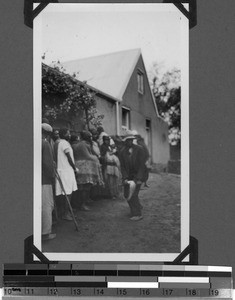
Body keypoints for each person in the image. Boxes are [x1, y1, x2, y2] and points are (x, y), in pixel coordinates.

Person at [72, 130, 103, 211]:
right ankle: (82, 204)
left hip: (80, 167)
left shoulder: (80, 144)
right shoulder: (83, 144)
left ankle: (80, 204)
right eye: (89, 137)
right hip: (84, 168)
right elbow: (87, 156)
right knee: (84, 187)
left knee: (82, 187)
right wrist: (96, 158)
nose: (91, 138)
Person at [119, 130, 146, 221]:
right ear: (125, 141)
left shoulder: (139, 149)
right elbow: (122, 166)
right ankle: (135, 208)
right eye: (127, 140)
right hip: (128, 175)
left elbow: (142, 165)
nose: (129, 142)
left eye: (131, 140)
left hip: (138, 174)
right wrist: (125, 178)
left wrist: (138, 178)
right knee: (127, 194)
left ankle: (137, 214)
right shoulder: (122, 152)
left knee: (134, 194)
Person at [55, 128, 78, 221]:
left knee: (65, 193)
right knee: (67, 193)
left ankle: (65, 213)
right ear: (64, 134)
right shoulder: (64, 143)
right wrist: (74, 168)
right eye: (68, 133)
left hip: (63, 170)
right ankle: (66, 214)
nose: (69, 135)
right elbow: (69, 158)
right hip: (66, 170)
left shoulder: (59, 142)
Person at [41, 123, 56, 240]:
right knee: (46, 205)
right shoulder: (44, 143)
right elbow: (47, 164)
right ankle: (45, 233)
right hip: (44, 180)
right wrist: (52, 176)